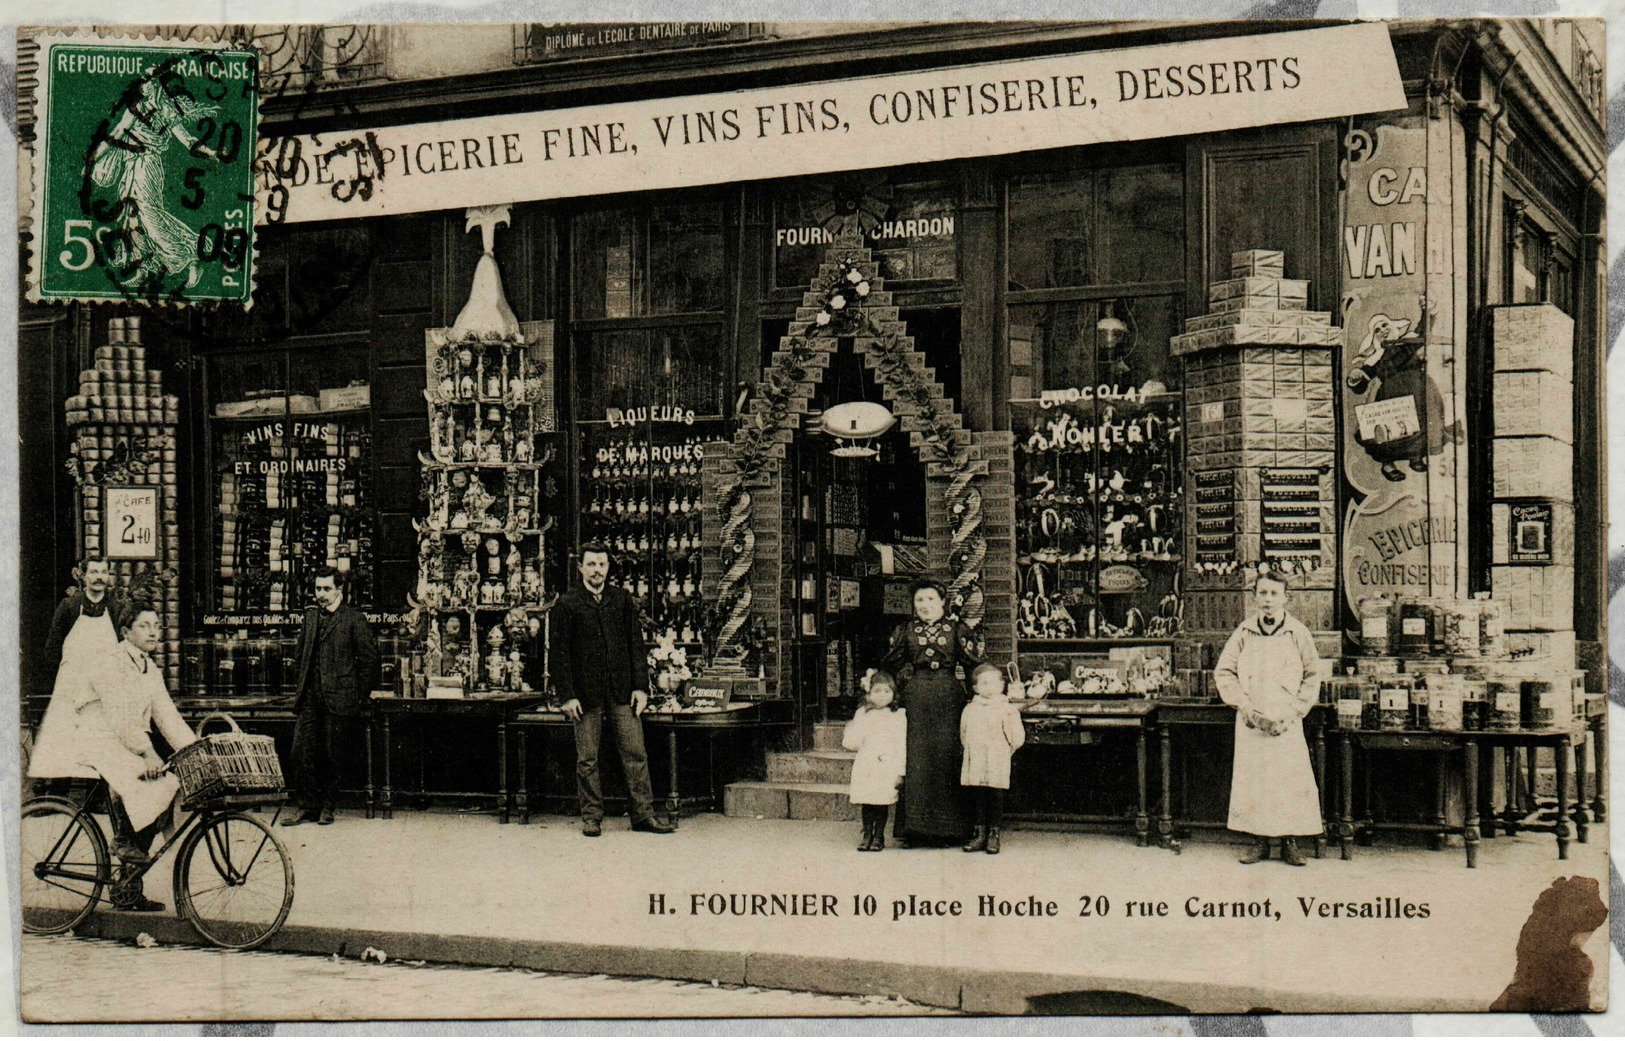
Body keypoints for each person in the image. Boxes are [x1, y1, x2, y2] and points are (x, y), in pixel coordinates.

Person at [50, 602, 197, 911]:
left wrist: (193, 749)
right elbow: (119, 716)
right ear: (126, 632)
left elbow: (167, 716)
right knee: (145, 781)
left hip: (124, 739)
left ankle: (128, 887)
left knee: (165, 785)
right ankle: (123, 841)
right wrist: (148, 753)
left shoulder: (149, 667)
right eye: (144, 625)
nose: (154, 631)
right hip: (98, 737)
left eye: (156, 624)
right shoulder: (112, 662)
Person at [551, 543, 675, 837]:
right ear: (580, 567)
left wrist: (640, 687)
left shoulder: (621, 600)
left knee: (635, 752)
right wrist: (567, 695)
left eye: (602, 565)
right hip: (584, 694)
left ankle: (643, 815)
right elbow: (559, 655)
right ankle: (592, 817)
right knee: (588, 757)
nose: (597, 570)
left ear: (608, 568)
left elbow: (635, 645)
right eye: (591, 564)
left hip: (622, 690)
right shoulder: (567, 604)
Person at [1213, 570, 1323, 867]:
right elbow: (1224, 672)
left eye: (1274, 594)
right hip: (1252, 722)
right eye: (1263, 593)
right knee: (1255, 781)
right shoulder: (1244, 632)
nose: (1268, 600)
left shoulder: (1298, 632)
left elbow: (1313, 676)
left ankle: (1290, 843)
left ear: (1286, 598)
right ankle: (1259, 842)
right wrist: (1243, 706)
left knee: (1288, 780)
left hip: (1286, 722)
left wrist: (1295, 712)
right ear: (1254, 598)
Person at [883, 577, 982, 847]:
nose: (925, 605)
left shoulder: (956, 630)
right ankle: (915, 830)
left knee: (946, 757)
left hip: (949, 698)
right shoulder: (906, 631)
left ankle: (951, 830)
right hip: (915, 700)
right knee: (917, 758)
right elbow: (889, 665)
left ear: (941, 602)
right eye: (919, 600)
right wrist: (880, 692)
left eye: (930, 599)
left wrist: (980, 698)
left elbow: (974, 665)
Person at [284, 567, 378, 827]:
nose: (321, 594)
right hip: (310, 698)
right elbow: (301, 655)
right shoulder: (310, 617)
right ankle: (307, 807)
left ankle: (328, 807)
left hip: (340, 699)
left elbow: (369, 661)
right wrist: (300, 688)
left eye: (327, 589)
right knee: (300, 752)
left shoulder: (354, 619)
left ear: (340, 589)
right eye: (318, 589)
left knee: (331, 754)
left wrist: (358, 696)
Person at [31, 558, 125, 781]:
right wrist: (70, 675)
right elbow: (52, 648)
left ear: (109, 577)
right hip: (72, 686)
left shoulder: (115, 609)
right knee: (64, 737)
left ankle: (100, 798)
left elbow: (123, 648)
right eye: (93, 572)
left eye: (104, 572)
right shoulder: (70, 606)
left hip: (103, 689)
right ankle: (57, 794)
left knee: (101, 738)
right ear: (83, 577)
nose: (99, 577)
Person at [959, 663, 1026, 855]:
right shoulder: (970, 709)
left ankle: (994, 835)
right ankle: (979, 833)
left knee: (995, 796)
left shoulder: (1006, 710)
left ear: (1002, 685)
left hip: (997, 757)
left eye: (994, 682)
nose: (989, 687)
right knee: (978, 796)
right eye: (984, 683)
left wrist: (1005, 751)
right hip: (977, 758)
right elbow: (964, 735)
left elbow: (1016, 737)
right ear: (975, 688)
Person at [842, 670, 907, 852]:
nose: (882, 696)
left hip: (887, 764)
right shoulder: (863, 714)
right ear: (869, 694)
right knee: (867, 800)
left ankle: (879, 836)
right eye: (877, 691)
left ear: (893, 694)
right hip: (867, 763)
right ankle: (867, 834)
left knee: (882, 800)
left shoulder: (898, 716)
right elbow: (852, 742)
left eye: (887, 691)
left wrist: (901, 771)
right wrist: (853, 730)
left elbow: (901, 744)